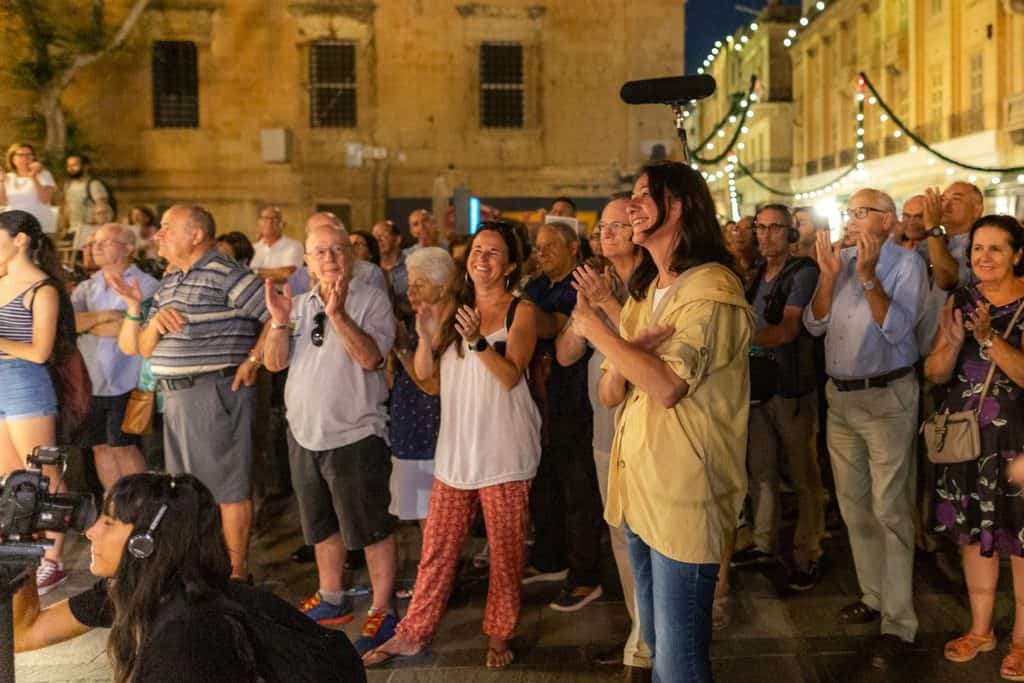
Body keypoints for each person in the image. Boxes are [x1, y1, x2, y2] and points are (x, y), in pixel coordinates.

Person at [573, 162, 753, 682]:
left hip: (683, 493)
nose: (631, 206)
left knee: (679, 661)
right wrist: (628, 354)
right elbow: (610, 392)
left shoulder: (711, 289)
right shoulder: (649, 291)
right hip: (639, 487)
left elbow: (669, 387)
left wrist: (599, 332)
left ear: (680, 207)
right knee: (654, 642)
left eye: (644, 195)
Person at [363, 221, 540, 670]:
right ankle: (412, 633)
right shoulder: (455, 309)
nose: (482, 258)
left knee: (505, 555)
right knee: (436, 551)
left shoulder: (522, 312)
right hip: (455, 454)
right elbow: (431, 382)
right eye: (477, 250)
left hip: (504, 453)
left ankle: (499, 634)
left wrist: (477, 340)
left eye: (494, 252)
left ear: (511, 266)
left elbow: (510, 375)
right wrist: (425, 340)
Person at [11, 472, 366, 683]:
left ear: (144, 543)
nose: (90, 533)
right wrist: (19, 542)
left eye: (109, 523)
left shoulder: (188, 640)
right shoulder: (144, 586)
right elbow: (25, 633)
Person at [804, 189, 929, 668]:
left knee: (890, 509)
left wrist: (869, 278)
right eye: (850, 212)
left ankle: (899, 623)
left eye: (863, 212)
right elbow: (815, 325)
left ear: (888, 219)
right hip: (841, 398)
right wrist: (828, 276)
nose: (853, 220)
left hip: (886, 397)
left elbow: (897, 330)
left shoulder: (906, 264)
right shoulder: (840, 261)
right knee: (854, 505)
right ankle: (873, 595)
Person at [262, 218, 399, 652]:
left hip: (355, 432)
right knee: (321, 524)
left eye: (338, 249)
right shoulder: (298, 304)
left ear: (352, 255)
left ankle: (383, 607)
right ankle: (332, 596)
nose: (330, 258)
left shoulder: (371, 299)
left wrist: (338, 314)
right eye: (320, 252)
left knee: (371, 527)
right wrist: (279, 322)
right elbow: (273, 363)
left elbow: (371, 358)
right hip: (304, 433)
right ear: (307, 261)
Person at [137, 204, 268, 579]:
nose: (158, 234)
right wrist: (155, 325)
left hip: (213, 391)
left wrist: (253, 360)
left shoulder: (227, 272)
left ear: (196, 234)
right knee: (189, 491)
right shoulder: (172, 279)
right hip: (175, 396)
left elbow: (279, 316)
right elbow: (145, 348)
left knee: (228, 490)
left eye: (167, 227)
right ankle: (202, 570)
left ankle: (237, 577)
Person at [555, 193, 652, 679]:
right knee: (620, 536)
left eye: (616, 226)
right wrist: (583, 310)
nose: (606, 234)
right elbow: (566, 354)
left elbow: (645, 344)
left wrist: (606, 306)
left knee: (649, 536)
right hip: (603, 431)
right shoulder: (597, 281)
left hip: (646, 430)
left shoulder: (653, 282)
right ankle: (641, 635)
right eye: (601, 229)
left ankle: (656, 638)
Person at [924, 215, 1024, 680]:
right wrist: (952, 343)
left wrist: (989, 339)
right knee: (972, 536)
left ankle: (1022, 641)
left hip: (1018, 440)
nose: (983, 257)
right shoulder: (962, 300)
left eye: (995, 248)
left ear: (1018, 255)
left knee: (1021, 540)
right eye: (978, 248)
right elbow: (935, 373)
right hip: (968, 439)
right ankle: (981, 630)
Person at [733, 205, 826, 592]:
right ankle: (763, 543)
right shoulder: (757, 273)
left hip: (791, 385)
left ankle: (809, 551)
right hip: (759, 386)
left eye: (775, 228)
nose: (766, 234)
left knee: (803, 474)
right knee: (762, 471)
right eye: (761, 227)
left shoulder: (803, 272)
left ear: (790, 233)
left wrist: (736, 341)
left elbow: (789, 328)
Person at [524, 220, 605, 613]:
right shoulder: (538, 286)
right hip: (541, 401)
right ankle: (550, 556)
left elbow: (552, 328)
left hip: (576, 399)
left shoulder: (583, 283)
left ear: (574, 247)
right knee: (546, 483)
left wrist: (518, 309)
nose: (541, 253)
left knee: (578, 490)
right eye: (538, 247)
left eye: (550, 246)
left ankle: (586, 575)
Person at [0, 209, 73, 592]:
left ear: (20, 239)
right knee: (11, 475)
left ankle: (53, 559)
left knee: (43, 474)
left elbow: (40, 351)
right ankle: (24, 550)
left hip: (24, 380)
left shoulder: (43, 288)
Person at [72, 223, 159, 491]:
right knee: (100, 447)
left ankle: (141, 505)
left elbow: (138, 329)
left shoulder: (147, 284)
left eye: (105, 242)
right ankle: (114, 504)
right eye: (93, 243)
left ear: (128, 248)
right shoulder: (87, 286)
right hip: (92, 380)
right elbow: (69, 323)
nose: (95, 247)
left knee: (124, 446)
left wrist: (92, 324)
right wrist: (109, 317)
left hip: (128, 379)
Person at [388, 247, 448, 526]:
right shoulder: (412, 322)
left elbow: (432, 384)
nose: (411, 293)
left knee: (443, 517)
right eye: (410, 285)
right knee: (422, 516)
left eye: (419, 285)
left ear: (443, 286)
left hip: (440, 431)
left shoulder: (453, 327)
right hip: (411, 428)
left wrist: (402, 351)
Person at [923, 181, 985, 291]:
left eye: (956, 199)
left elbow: (947, 280)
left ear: (977, 210)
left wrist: (933, 227)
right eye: (943, 199)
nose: (945, 205)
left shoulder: (983, 245)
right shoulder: (932, 242)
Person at [2, 144, 57, 233]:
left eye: (29, 155)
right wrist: (1, 182)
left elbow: (44, 199)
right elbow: (3, 202)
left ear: (34, 157)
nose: (25, 158)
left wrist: (33, 176)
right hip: (14, 229)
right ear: (12, 159)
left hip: (40, 227)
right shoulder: (8, 177)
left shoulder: (44, 174)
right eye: (20, 155)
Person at [250, 206, 304, 283]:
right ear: (258, 222)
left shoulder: (294, 246)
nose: (269, 222)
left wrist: (254, 272)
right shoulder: (252, 248)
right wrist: (277, 272)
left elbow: (289, 274)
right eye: (265, 218)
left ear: (282, 224)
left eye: (274, 219)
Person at [62, 153, 111, 237]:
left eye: (74, 165)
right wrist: (65, 228)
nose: (71, 168)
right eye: (69, 166)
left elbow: (102, 210)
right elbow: (67, 208)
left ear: (85, 167)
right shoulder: (68, 186)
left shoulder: (94, 185)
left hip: (89, 232)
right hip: (72, 231)